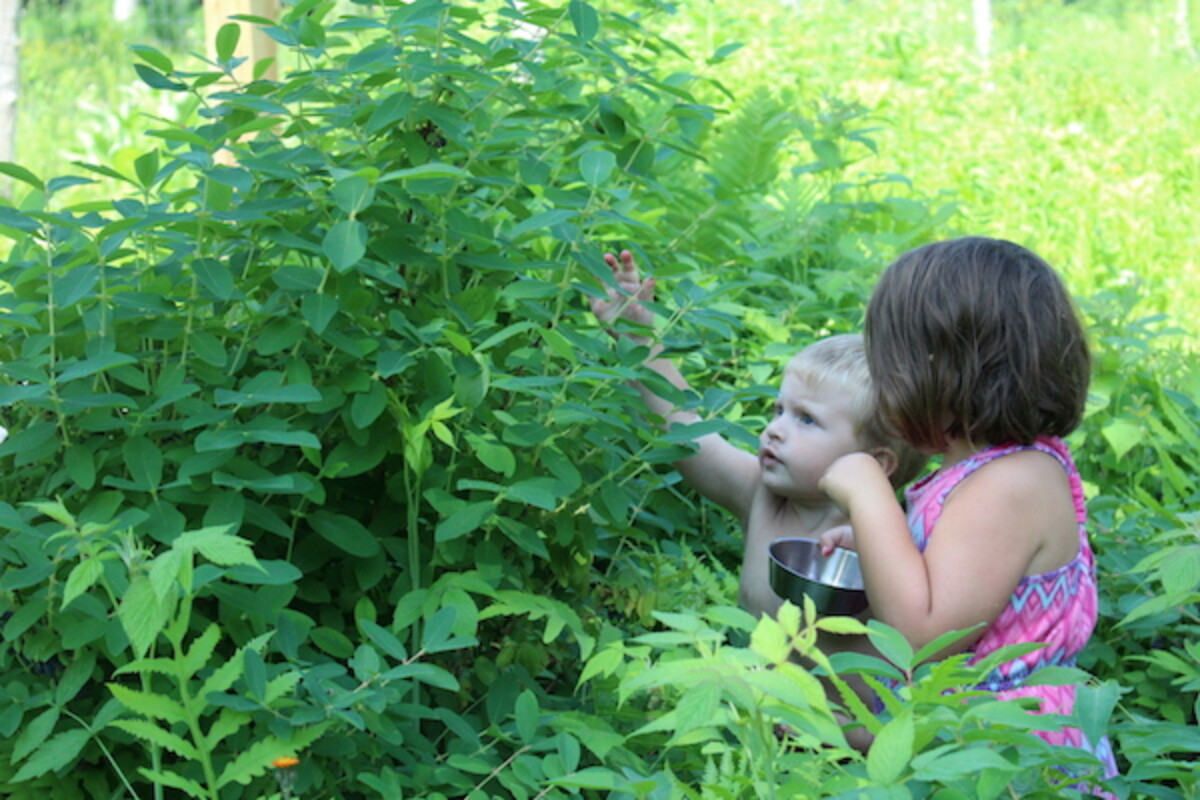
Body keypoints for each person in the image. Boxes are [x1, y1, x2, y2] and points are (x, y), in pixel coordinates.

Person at [817, 236, 1119, 782]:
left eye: (887, 362)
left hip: (1011, 766)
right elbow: (958, 583)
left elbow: (922, 638)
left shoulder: (1012, 484)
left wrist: (869, 496)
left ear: (939, 366)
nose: (884, 382)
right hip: (963, 743)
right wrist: (881, 544)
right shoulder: (988, 474)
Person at [589, 249, 926, 619]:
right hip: (750, 678)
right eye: (779, 411)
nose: (775, 430)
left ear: (875, 463)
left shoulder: (891, 543)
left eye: (807, 420)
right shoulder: (763, 497)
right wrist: (638, 337)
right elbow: (683, 427)